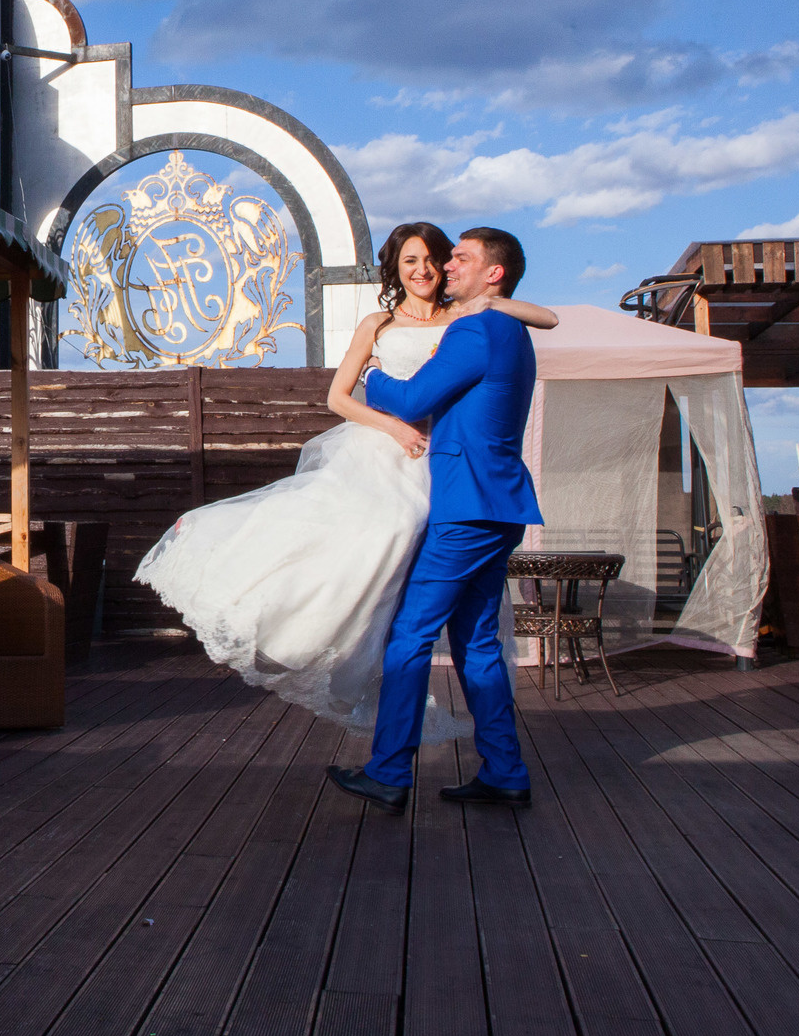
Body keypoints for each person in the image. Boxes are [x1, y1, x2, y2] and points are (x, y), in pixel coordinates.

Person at [133, 222, 553, 732]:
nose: (428, 270)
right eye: (411, 263)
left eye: (438, 260)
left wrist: (490, 303)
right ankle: (308, 639)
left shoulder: (468, 319)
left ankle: (394, 755)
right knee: (363, 544)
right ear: (396, 271)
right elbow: (338, 398)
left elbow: (542, 317)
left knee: (422, 610)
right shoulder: (380, 324)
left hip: (446, 469)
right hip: (395, 450)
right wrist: (395, 430)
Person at [328, 226, 543, 815]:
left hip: (466, 506)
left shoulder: (477, 329)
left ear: (493, 274)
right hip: (499, 504)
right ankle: (504, 771)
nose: (448, 267)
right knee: (476, 642)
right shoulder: (510, 329)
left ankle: (389, 771)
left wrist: (372, 373)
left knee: (410, 634)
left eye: (461, 259)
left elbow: (409, 401)